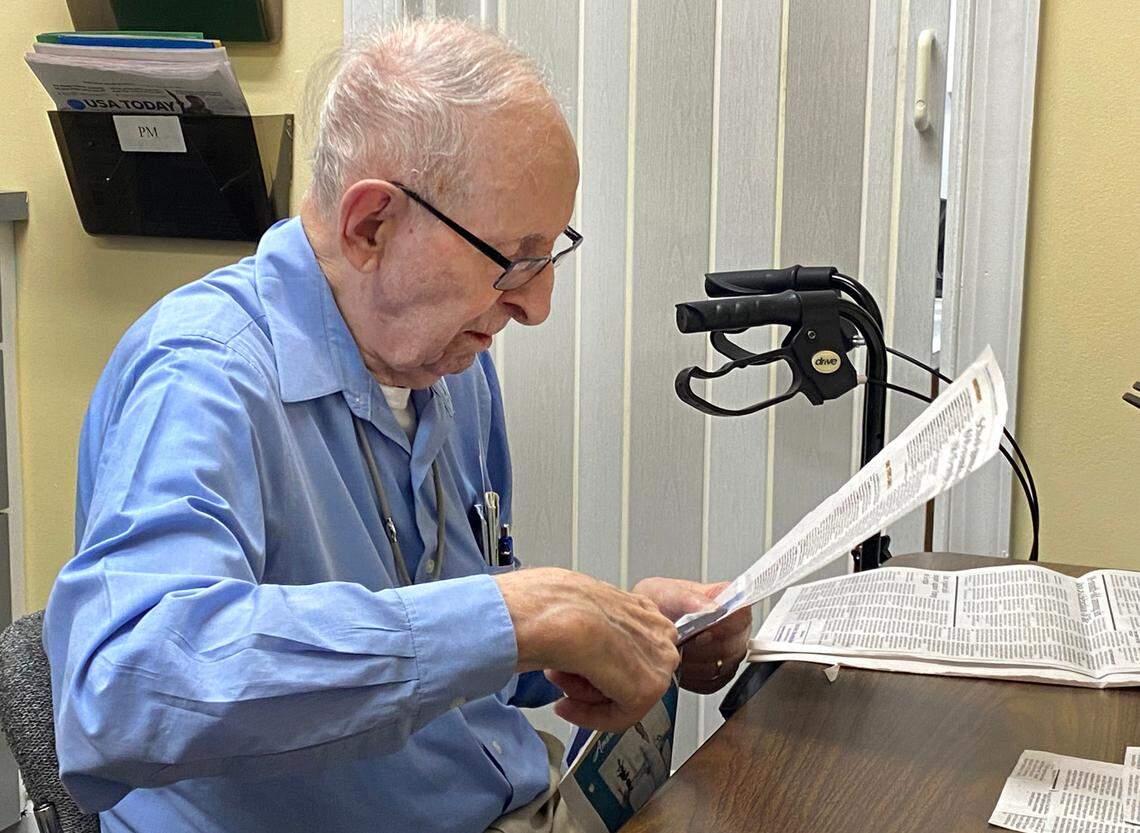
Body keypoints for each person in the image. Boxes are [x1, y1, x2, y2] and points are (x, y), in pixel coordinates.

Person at [44, 19, 750, 833]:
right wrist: (516, 615)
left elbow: (458, 656)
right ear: (371, 226)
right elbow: (121, 689)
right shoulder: (202, 376)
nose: (537, 305)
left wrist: (611, 629)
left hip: (516, 799)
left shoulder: (450, 367)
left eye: (549, 255)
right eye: (514, 260)